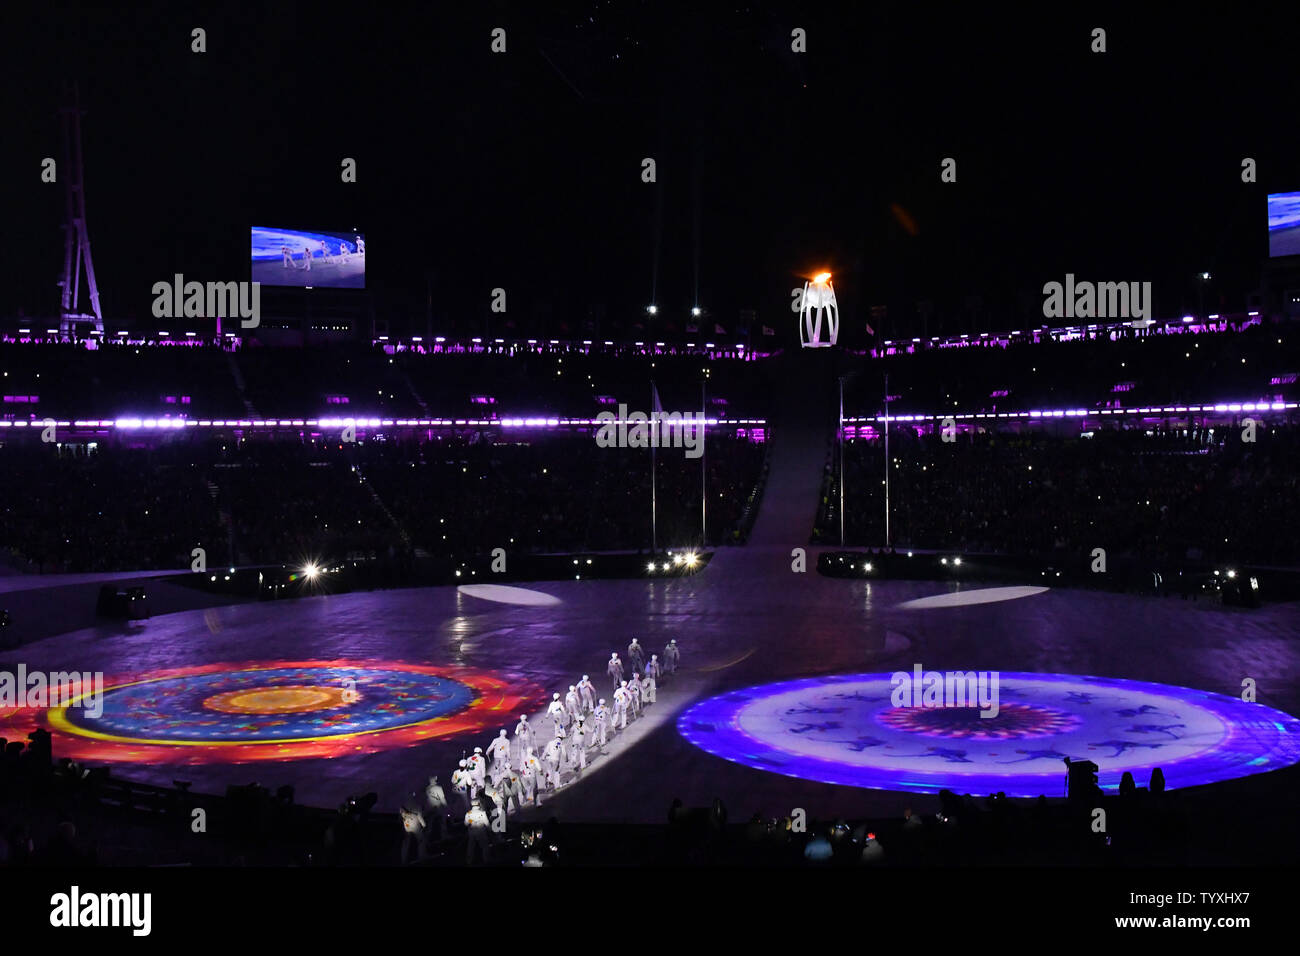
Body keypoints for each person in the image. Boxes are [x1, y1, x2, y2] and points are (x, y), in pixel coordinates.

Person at [465, 799, 491, 865]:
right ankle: (486, 861)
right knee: (485, 847)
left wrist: (472, 821)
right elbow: (487, 824)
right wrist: (491, 831)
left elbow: (466, 823)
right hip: (481, 832)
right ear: (479, 803)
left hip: (472, 833)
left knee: (471, 848)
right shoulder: (482, 813)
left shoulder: (469, 813)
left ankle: (469, 862)